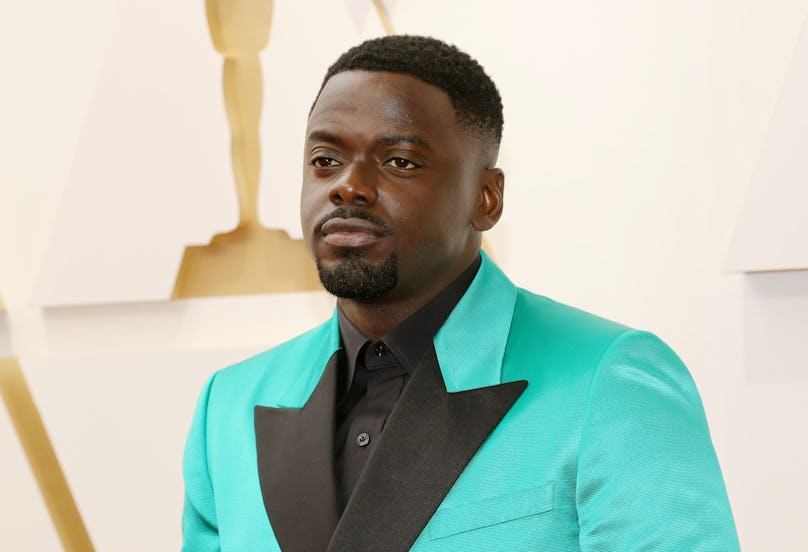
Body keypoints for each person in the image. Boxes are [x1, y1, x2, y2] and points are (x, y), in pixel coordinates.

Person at [182, 35, 740, 551]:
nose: (347, 185)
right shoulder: (228, 406)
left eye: (400, 161)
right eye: (325, 160)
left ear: (487, 198)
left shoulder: (610, 382)